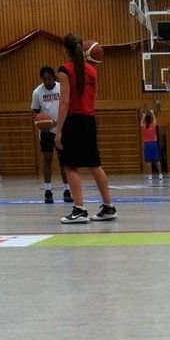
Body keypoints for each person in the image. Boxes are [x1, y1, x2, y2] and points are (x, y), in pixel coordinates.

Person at [56, 33, 116, 225]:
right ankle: (108, 207)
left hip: (73, 120)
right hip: (89, 120)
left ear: (65, 50)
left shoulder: (64, 70)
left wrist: (58, 130)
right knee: (94, 164)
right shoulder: (92, 70)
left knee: (69, 165)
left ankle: (80, 209)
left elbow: (65, 102)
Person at [30, 66, 71, 204]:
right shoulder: (37, 92)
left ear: (54, 77)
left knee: (64, 161)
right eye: (44, 79)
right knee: (47, 159)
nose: (47, 81)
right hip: (46, 131)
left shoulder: (61, 88)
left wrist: (59, 122)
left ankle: (67, 190)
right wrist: (42, 121)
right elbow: (34, 112)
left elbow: (68, 105)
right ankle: (48, 191)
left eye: (49, 78)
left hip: (62, 128)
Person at [141, 110, 163, 181]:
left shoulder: (144, 127)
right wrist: (152, 113)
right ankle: (160, 174)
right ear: (150, 120)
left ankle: (150, 175)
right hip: (154, 144)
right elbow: (155, 120)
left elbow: (141, 123)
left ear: (146, 120)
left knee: (148, 161)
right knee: (157, 160)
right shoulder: (153, 126)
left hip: (147, 144)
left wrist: (143, 116)